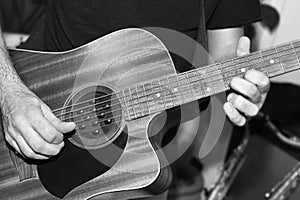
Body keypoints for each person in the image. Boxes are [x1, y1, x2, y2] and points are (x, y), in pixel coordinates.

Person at [0, 0, 269, 194]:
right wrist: (10, 95)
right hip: (34, 102)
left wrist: (242, 86)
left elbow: (226, 59)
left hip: (140, 154)